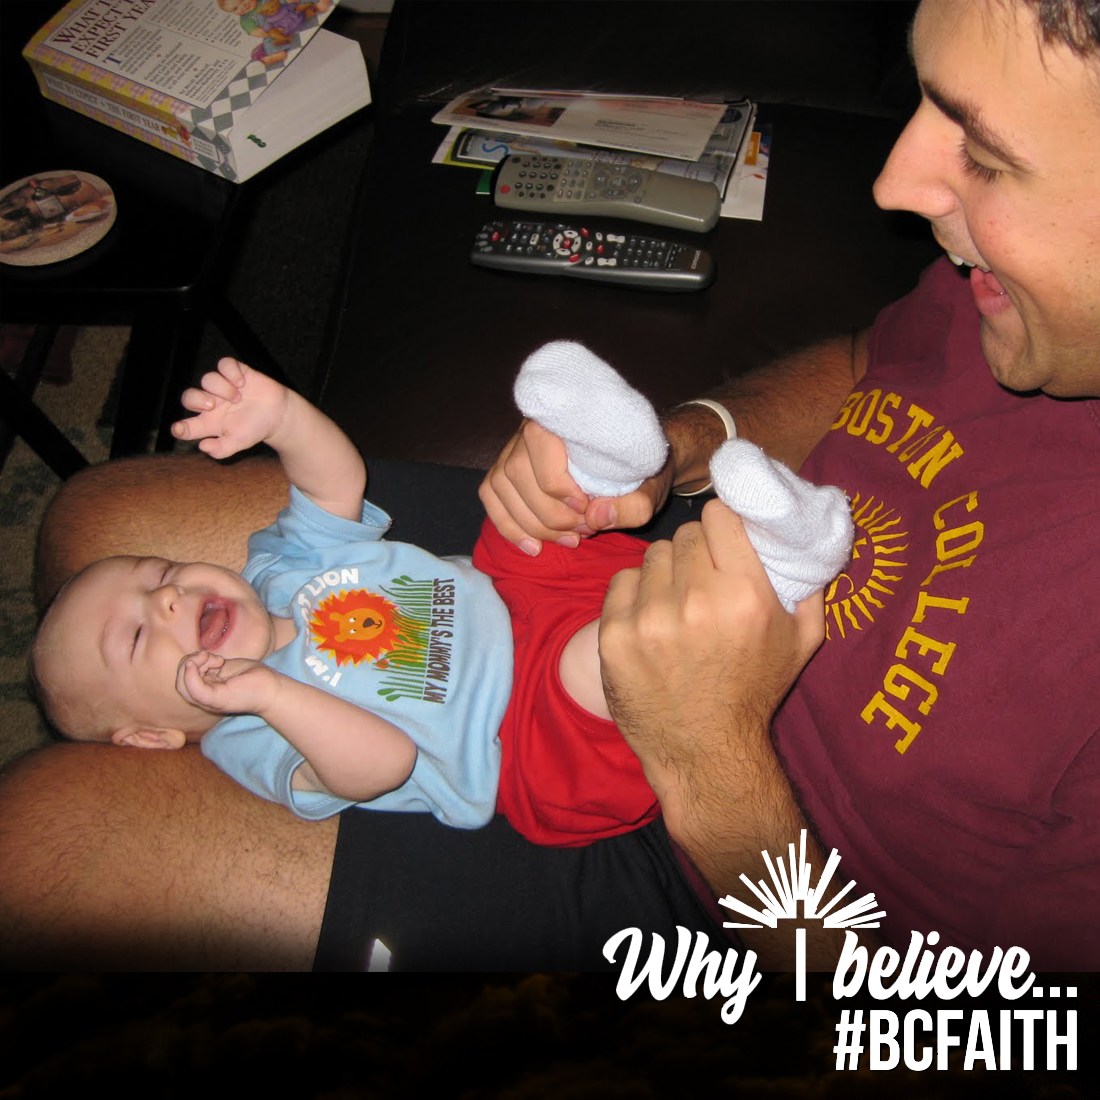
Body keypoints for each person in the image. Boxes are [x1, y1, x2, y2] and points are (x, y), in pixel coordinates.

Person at [1, 0, 1097, 971]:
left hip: (726, 868)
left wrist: (707, 754)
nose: (896, 183)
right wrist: (681, 446)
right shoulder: (1014, 289)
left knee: (36, 850)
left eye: (986, 155)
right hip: (629, 560)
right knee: (95, 523)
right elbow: (870, 357)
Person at [31, 349, 852, 848]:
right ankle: (784, 558)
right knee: (591, 665)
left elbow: (335, 480)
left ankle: (612, 456)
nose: (170, 601)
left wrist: (279, 415)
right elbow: (380, 764)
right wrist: (268, 690)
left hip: (516, 596)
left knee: (519, 525)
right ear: (148, 735)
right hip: (530, 740)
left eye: (157, 574)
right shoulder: (247, 740)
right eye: (139, 637)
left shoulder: (279, 567)